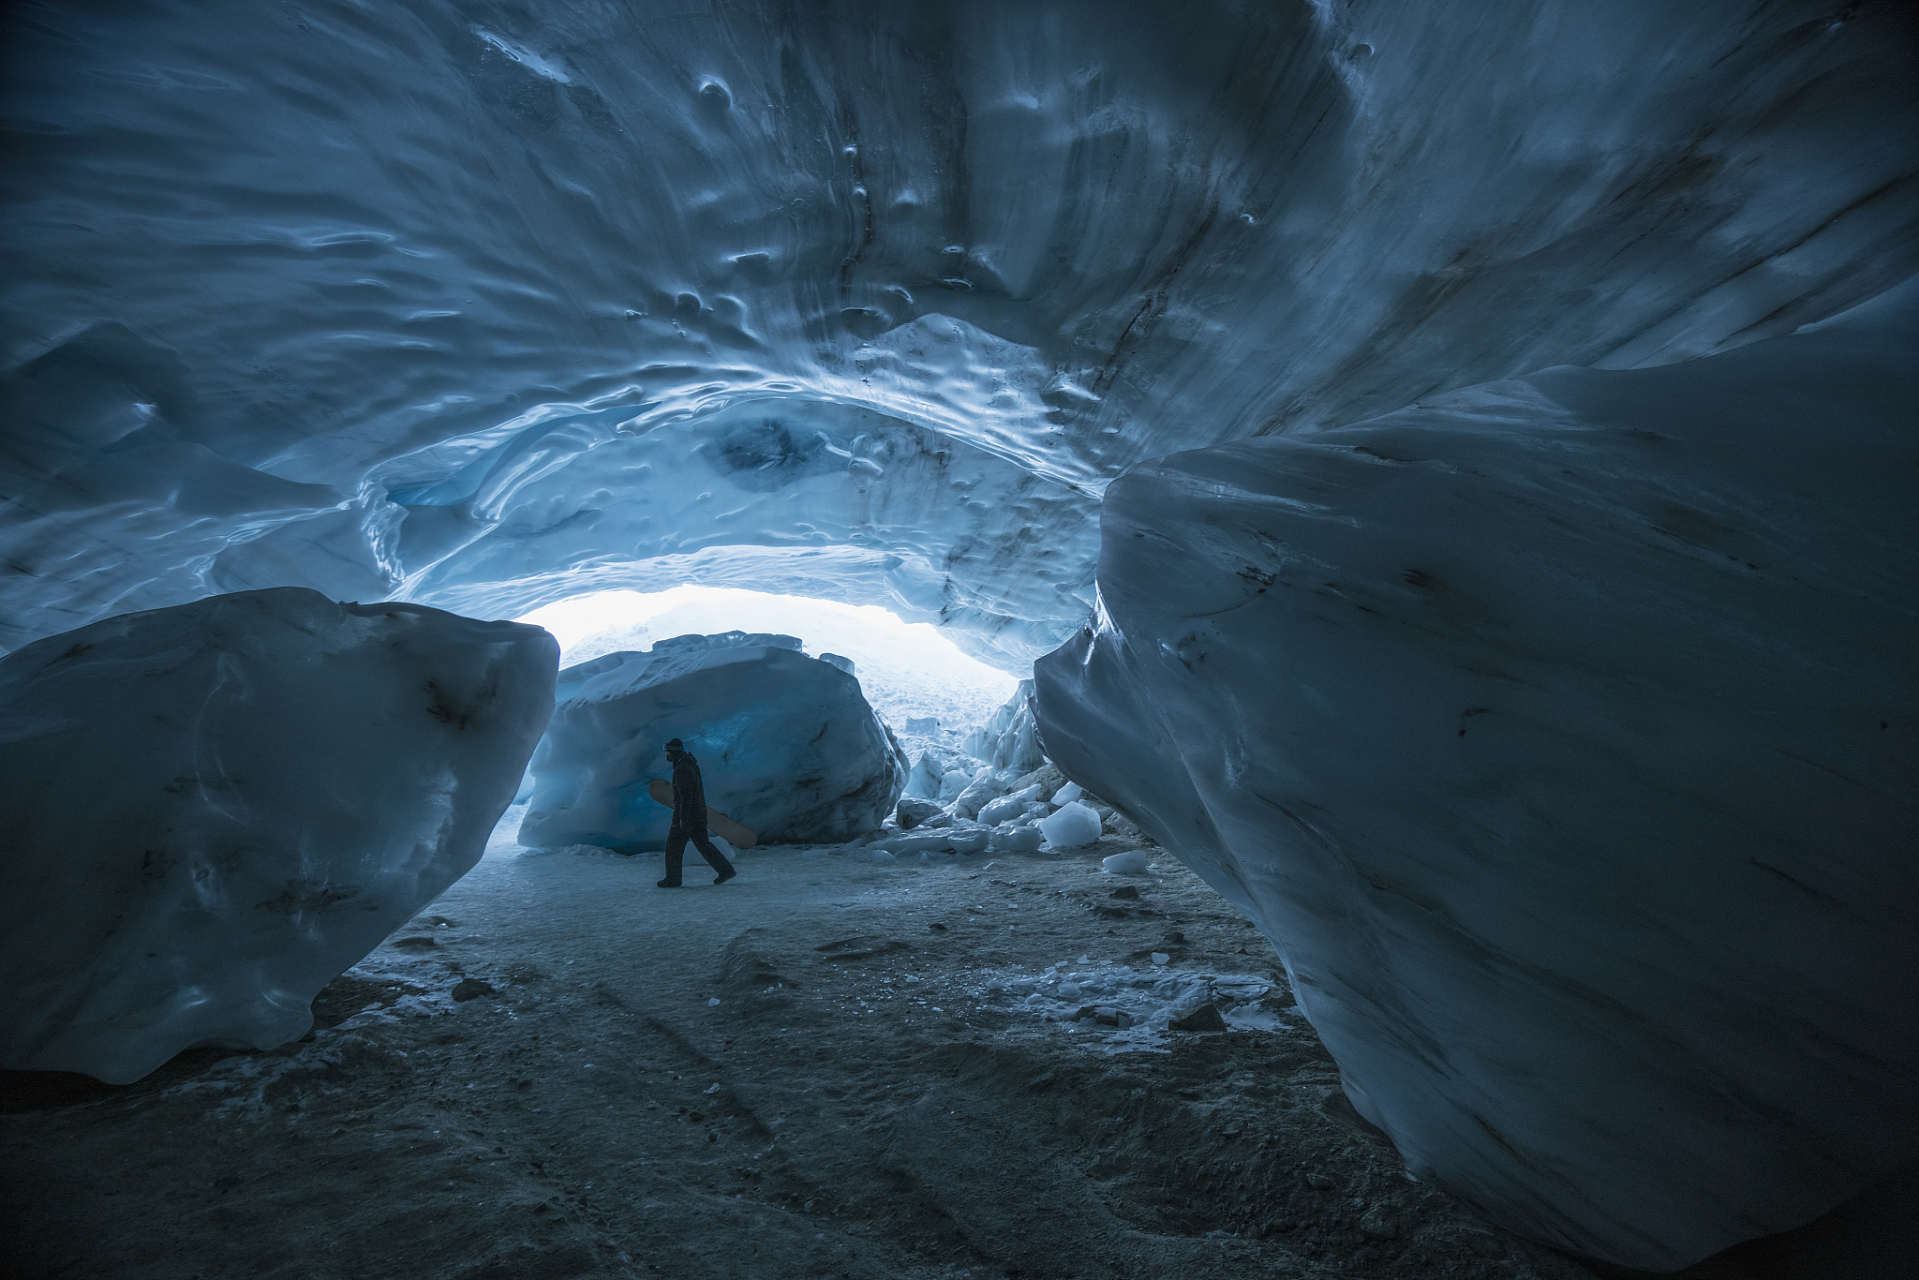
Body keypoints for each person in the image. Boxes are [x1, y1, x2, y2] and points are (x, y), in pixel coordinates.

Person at [658, 738, 736, 888]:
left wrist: (683, 819)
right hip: (699, 813)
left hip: (687, 815)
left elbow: (686, 797)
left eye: (668, 751)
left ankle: (673, 879)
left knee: (673, 846)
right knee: (703, 844)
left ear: (674, 752)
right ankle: (726, 870)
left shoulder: (681, 769)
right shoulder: (691, 764)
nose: (667, 754)